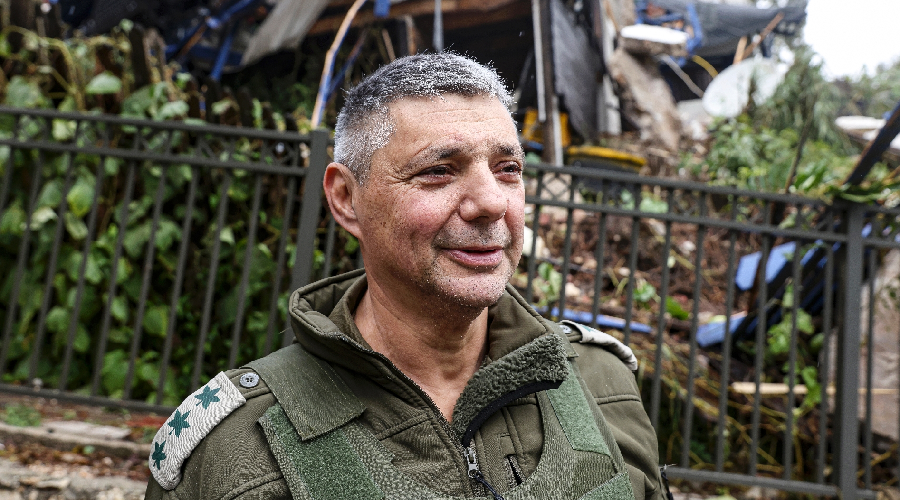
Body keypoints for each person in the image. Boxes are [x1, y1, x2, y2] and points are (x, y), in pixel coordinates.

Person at [145, 52, 665, 500]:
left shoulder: (602, 384)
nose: (492, 202)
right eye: (438, 171)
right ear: (346, 199)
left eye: (508, 169)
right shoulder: (235, 449)